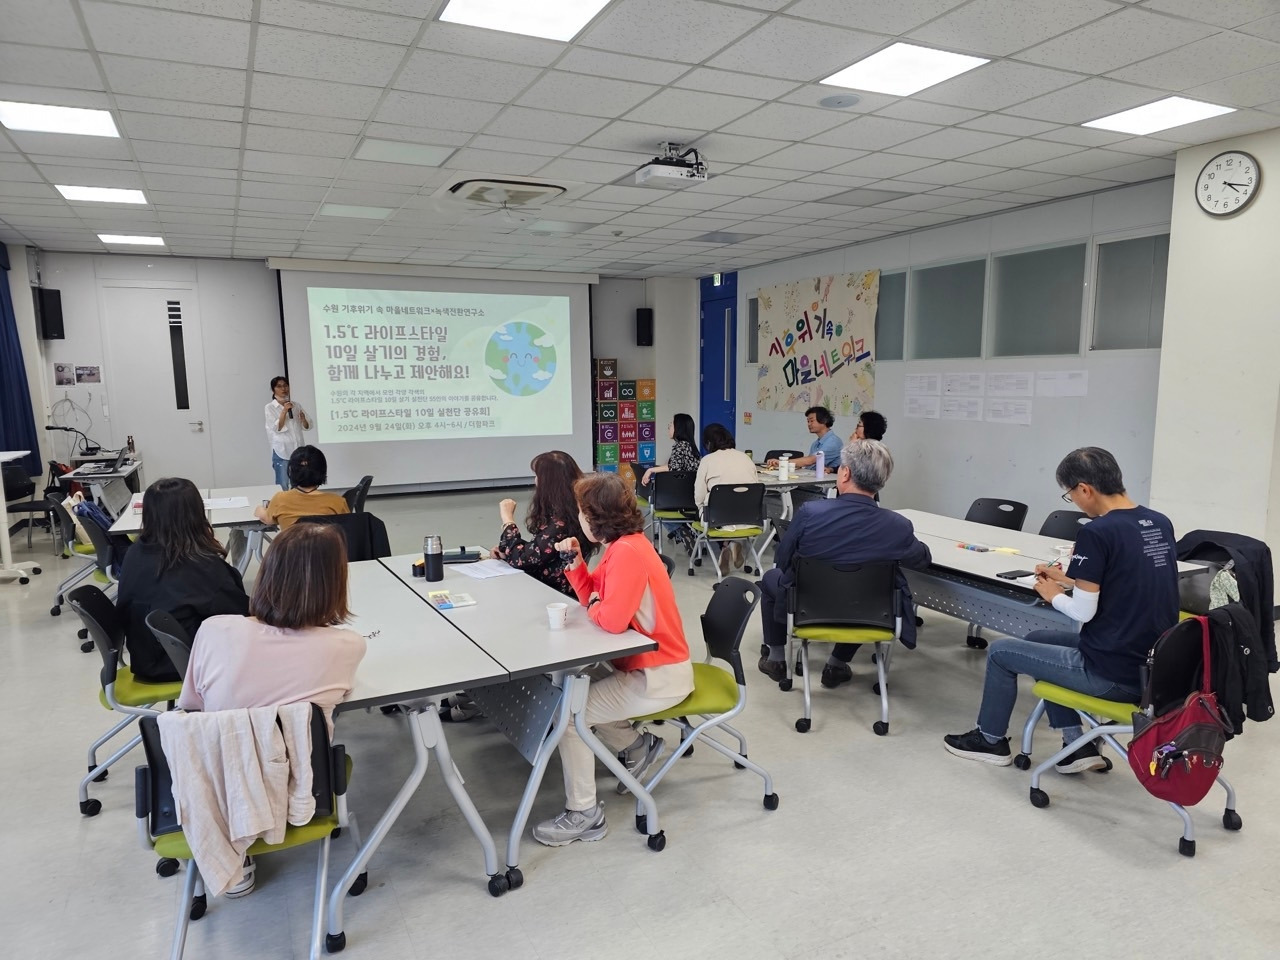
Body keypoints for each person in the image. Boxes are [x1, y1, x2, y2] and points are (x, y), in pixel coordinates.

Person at [943, 447, 1179, 771]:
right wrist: (1071, 579)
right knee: (1040, 637)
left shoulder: (1097, 530)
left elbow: (1082, 613)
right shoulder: (1157, 522)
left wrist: (1052, 593)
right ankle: (1075, 746)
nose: (1075, 502)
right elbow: (1127, 579)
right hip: (1154, 665)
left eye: (1070, 495)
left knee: (1000, 653)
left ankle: (990, 740)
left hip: (1111, 672)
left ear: (1085, 488)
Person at [178, 521, 367, 897]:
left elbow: (192, 709)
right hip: (303, 787)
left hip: (221, 790)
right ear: (335, 583)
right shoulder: (347, 646)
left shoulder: (214, 630)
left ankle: (240, 854)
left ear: (267, 572)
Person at [533, 472, 693, 846]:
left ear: (597, 517)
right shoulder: (625, 545)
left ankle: (584, 812)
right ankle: (637, 747)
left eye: (582, 511)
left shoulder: (626, 554)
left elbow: (612, 620)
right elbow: (596, 597)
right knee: (580, 687)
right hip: (649, 664)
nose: (579, 517)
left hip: (657, 675)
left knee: (568, 716)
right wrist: (574, 564)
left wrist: (593, 604)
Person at [757, 439, 931, 687]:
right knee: (865, 592)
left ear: (845, 472)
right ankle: (837, 664)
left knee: (770, 579)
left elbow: (782, 560)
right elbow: (922, 559)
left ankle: (775, 659)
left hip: (809, 605)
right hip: (869, 612)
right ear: (882, 480)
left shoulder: (810, 513)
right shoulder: (897, 525)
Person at [114, 477, 249, 683]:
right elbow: (240, 614)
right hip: (182, 662)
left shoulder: (136, 551)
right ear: (195, 515)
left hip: (146, 656)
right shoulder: (197, 565)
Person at [493, 450, 598, 598]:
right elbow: (538, 551)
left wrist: (507, 519)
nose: (535, 481)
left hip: (553, 594)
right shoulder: (570, 510)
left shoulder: (561, 523)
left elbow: (521, 559)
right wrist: (507, 551)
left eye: (537, 476)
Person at [694, 422, 760, 574]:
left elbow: (699, 494)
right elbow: (755, 487)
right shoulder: (746, 458)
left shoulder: (708, 460)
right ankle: (732, 544)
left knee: (710, 512)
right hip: (749, 519)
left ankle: (727, 545)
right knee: (724, 513)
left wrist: (700, 508)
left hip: (718, 519)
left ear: (708, 443)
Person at [642, 414, 702, 553]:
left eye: (672, 424)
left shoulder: (679, 446)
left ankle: (681, 530)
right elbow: (676, 465)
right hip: (692, 497)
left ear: (679, 428)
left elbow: (673, 467)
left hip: (679, 498)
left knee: (660, 509)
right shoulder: (691, 447)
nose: (669, 426)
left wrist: (651, 469)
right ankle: (686, 530)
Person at [254, 445, 349, 529]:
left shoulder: (280, 499)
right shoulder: (337, 502)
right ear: (322, 471)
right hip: (326, 549)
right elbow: (348, 528)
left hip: (291, 549)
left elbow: (266, 519)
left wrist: (260, 508)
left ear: (291, 471)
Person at [265, 376, 311, 489]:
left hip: (298, 450)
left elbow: (308, 426)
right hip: (282, 450)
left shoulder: (296, 405)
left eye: (285, 386)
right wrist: (284, 411)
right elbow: (277, 428)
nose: (283, 389)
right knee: (283, 483)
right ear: (273, 390)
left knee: (299, 483)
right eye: (279, 386)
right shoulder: (270, 407)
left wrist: (303, 420)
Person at [765, 406, 842, 472]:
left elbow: (810, 460)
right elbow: (809, 464)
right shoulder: (816, 443)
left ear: (824, 421)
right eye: (808, 421)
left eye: (812, 421)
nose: (809, 424)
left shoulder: (833, 442)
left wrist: (782, 462)